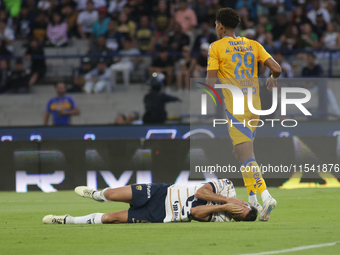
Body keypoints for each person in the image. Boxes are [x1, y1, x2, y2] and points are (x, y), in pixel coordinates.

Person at [206, 8, 281, 221]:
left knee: (248, 156)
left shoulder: (216, 47)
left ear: (220, 26)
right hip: (254, 107)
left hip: (237, 108)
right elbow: (277, 68)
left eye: (215, 24)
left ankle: (266, 197)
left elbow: (210, 83)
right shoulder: (253, 44)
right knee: (238, 154)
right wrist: (272, 78)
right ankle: (252, 198)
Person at [42, 178, 258, 224]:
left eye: (236, 214)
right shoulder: (227, 186)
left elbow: (194, 213)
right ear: (244, 203)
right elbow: (202, 192)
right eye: (239, 208)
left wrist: (223, 207)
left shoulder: (224, 219)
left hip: (160, 215)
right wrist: (226, 199)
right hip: (160, 193)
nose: (234, 211)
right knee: (110, 196)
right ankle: (97, 195)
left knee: (109, 218)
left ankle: (66, 220)